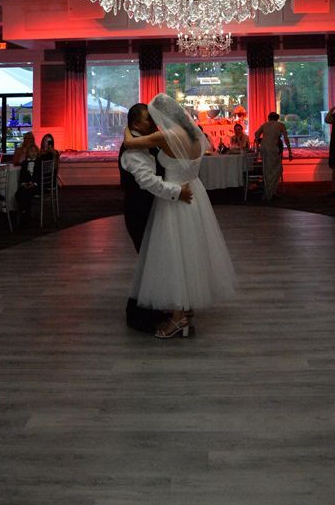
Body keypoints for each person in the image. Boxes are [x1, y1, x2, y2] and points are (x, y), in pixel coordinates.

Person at [122, 93, 238, 339]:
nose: (153, 122)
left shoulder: (165, 136)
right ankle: (187, 308)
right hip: (195, 192)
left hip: (175, 199)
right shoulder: (196, 134)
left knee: (173, 257)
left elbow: (130, 143)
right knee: (191, 252)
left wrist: (127, 129)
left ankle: (177, 317)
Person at [120, 102, 194, 333]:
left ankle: (160, 306)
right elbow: (147, 182)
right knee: (149, 262)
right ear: (135, 124)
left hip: (155, 210)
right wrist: (177, 192)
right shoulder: (133, 151)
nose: (153, 123)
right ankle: (140, 314)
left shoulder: (148, 139)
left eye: (154, 119)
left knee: (157, 261)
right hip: (140, 212)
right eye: (148, 120)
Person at [254, 112, 292, 200]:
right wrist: (290, 151)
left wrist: (257, 146)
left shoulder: (265, 125)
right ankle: (271, 193)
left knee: (267, 170)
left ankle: (269, 192)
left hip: (264, 148)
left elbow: (256, 134)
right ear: (277, 118)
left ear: (269, 118)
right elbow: (286, 138)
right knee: (277, 170)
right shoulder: (280, 125)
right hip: (272, 148)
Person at [16, 144, 41, 224]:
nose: (33, 153)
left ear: (37, 153)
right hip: (26, 185)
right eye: (31, 151)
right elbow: (22, 176)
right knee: (18, 193)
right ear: (27, 153)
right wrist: (24, 184)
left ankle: (26, 214)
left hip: (36, 186)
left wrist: (34, 183)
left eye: (35, 151)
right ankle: (24, 211)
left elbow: (39, 176)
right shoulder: (24, 163)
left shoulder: (39, 163)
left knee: (27, 193)